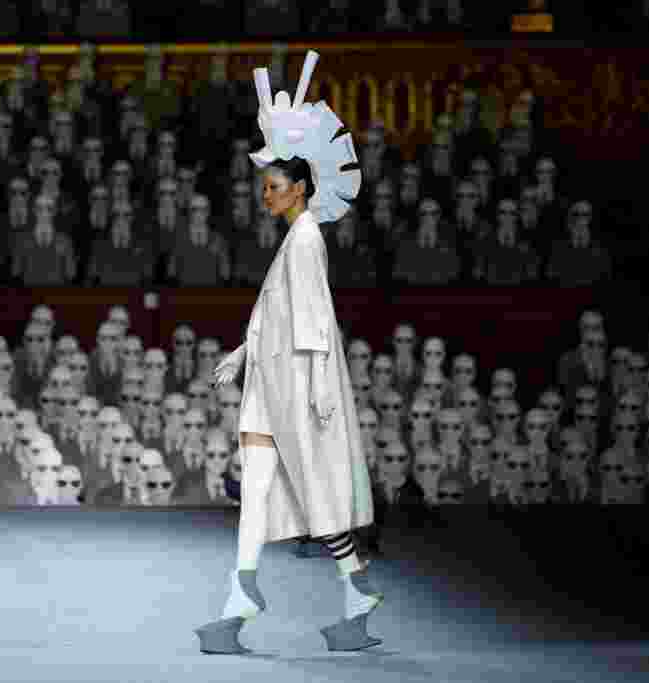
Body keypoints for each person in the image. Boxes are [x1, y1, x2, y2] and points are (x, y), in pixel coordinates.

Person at [194, 51, 383, 656]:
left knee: (314, 492)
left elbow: (312, 326)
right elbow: (276, 319)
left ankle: (350, 590)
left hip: (294, 388)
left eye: (274, 187)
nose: (266, 195)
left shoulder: (305, 241)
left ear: (301, 188)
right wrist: (241, 353)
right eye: (264, 186)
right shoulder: (295, 242)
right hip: (268, 385)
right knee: (259, 488)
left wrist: (321, 393)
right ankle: (246, 593)